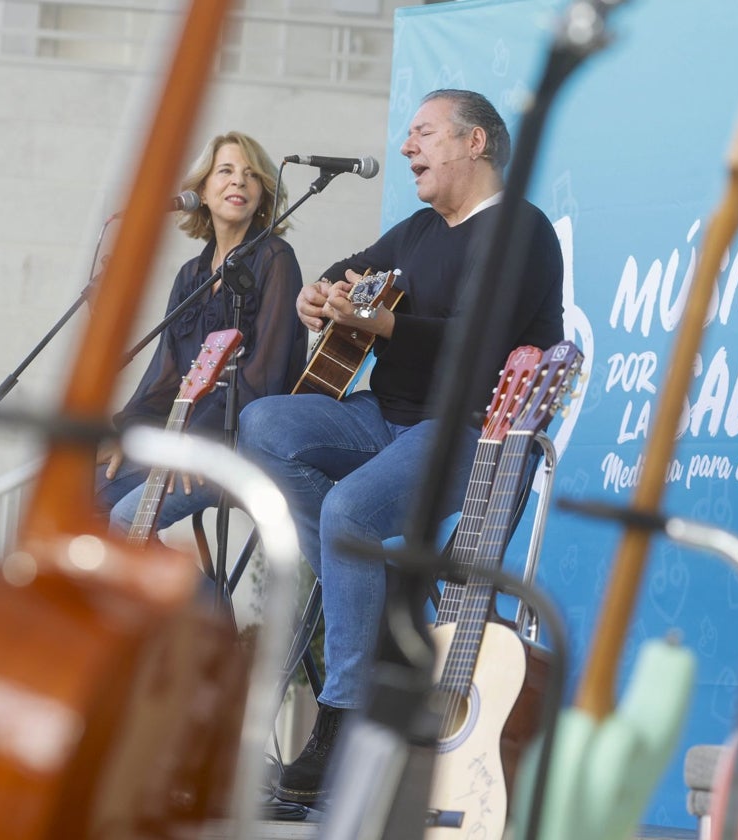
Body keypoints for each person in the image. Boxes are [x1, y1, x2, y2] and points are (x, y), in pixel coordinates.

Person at [237, 89, 565, 804]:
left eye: (423, 133)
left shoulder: (521, 231)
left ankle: (347, 720)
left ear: (474, 143)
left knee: (350, 510)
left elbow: (480, 345)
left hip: (477, 430)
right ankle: (390, 611)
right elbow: (346, 275)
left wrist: (384, 328)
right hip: (386, 421)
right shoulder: (417, 230)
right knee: (264, 424)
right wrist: (314, 297)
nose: (407, 146)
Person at [95, 131, 306, 538]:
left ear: (262, 194)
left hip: (236, 445)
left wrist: (191, 446)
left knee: (125, 518)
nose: (238, 182)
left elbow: (264, 379)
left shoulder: (275, 259)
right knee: (83, 494)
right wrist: (130, 432)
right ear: (203, 192)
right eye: (225, 171)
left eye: (250, 175)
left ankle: (203, 605)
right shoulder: (191, 274)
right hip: (181, 438)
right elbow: (164, 374)